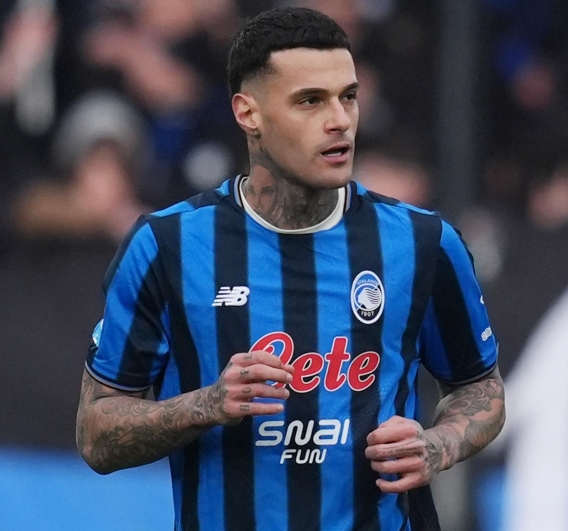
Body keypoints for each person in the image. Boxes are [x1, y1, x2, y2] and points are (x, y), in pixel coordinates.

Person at [75, 7, 505, 531]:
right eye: (310, 101)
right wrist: (205, 405)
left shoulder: (421, 242)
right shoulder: (167, 246)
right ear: (248, 113)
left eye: (348, 96)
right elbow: (96, 433)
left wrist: (437, 445)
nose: (339, 120)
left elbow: (480, 389)